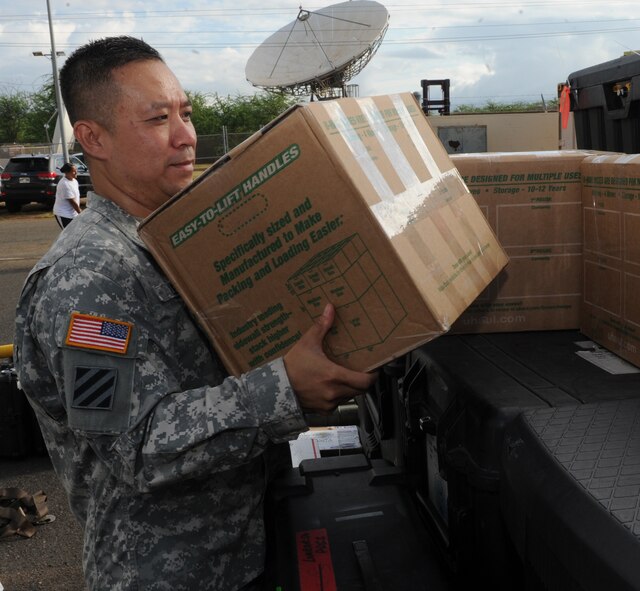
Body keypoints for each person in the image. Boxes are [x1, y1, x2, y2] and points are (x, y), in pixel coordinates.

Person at [14, 36, 376, 591]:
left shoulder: (171, 239)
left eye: (186, 113)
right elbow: (133, 447)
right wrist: (284, 389)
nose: (186, 136)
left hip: (243, 549)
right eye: (159, 119)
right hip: (169, 575)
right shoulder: (88, 276)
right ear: (93, 138)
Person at [53, 162, 81, 228]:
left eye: (76, 170)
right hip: (63, 214)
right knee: (67, 235)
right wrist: (81, 213)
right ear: (67, 173)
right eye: (74, 171)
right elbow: (72, 202)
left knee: (75, 234)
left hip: (73, 214)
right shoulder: (64, 184)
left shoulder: (74, 181)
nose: (76, 172)